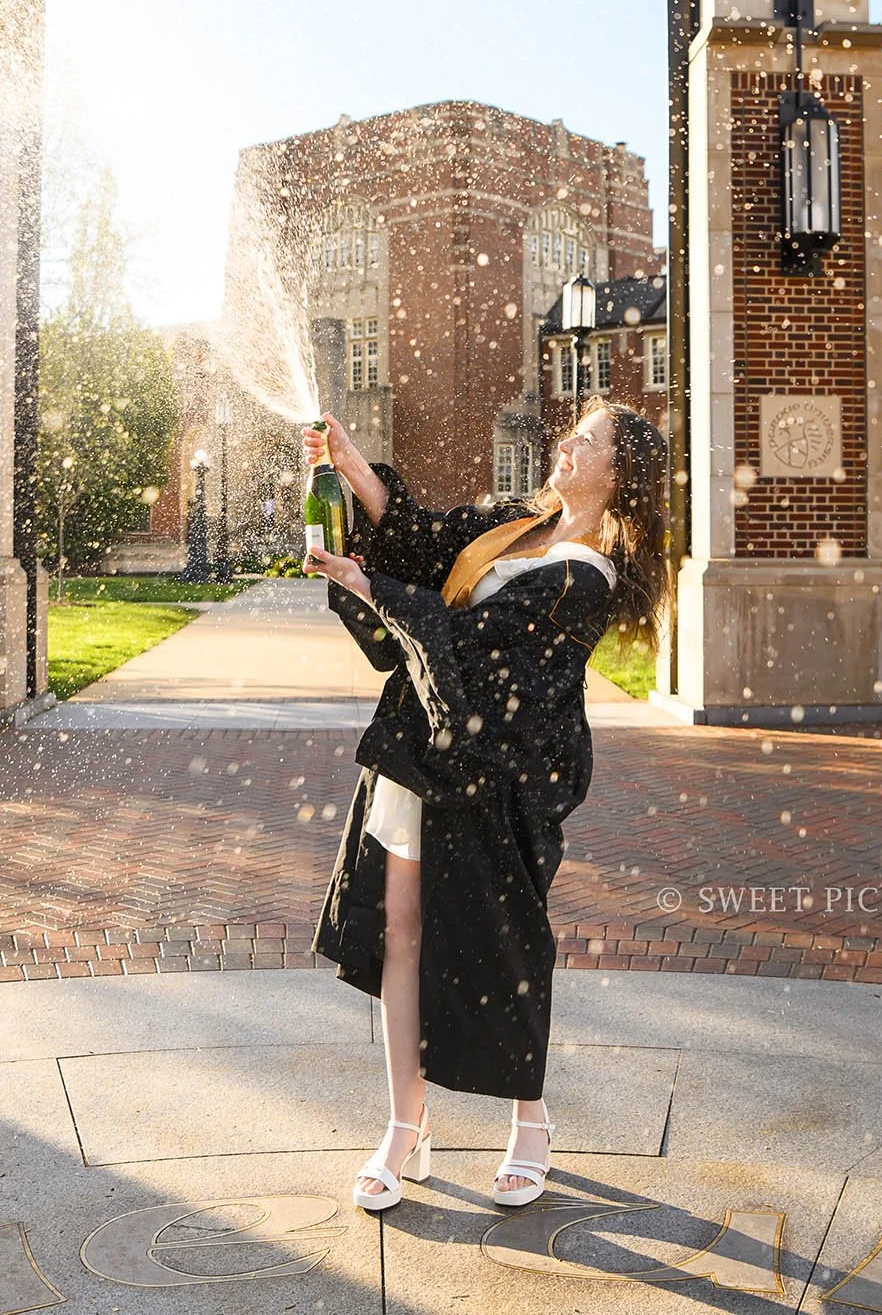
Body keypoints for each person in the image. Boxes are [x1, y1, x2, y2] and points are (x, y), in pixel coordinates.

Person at [298, 398, 674, 1213]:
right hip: (420, 743)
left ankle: (529, 1118)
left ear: (619, 475)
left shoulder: (586, 576)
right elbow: (428, 540)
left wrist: (370, 584)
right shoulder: (520, 522)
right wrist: (349, 458)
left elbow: (480, 648)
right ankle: (406, 1122)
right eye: (572, 432)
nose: (566, 443)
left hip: (499, 772)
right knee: (400, 929)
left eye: (588, 439)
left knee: (502, 940)